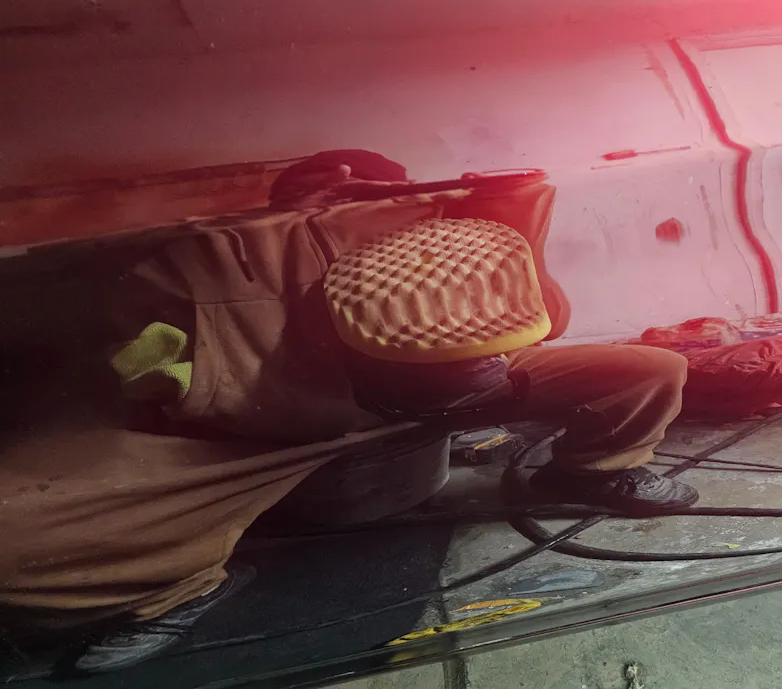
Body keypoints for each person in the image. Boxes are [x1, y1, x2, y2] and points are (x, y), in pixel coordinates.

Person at [0, 150, 696, 673]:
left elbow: (547, 317)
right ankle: (172, 592)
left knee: (647, 371)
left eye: (369, 195)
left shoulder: (454, 236)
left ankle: (596, 468)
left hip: (464, 386)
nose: (350, 209)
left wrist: (506, 229)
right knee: (19, 535)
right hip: (275, 427)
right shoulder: (214, 268)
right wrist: (192, 371)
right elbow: (126, 367)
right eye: (332, 199)